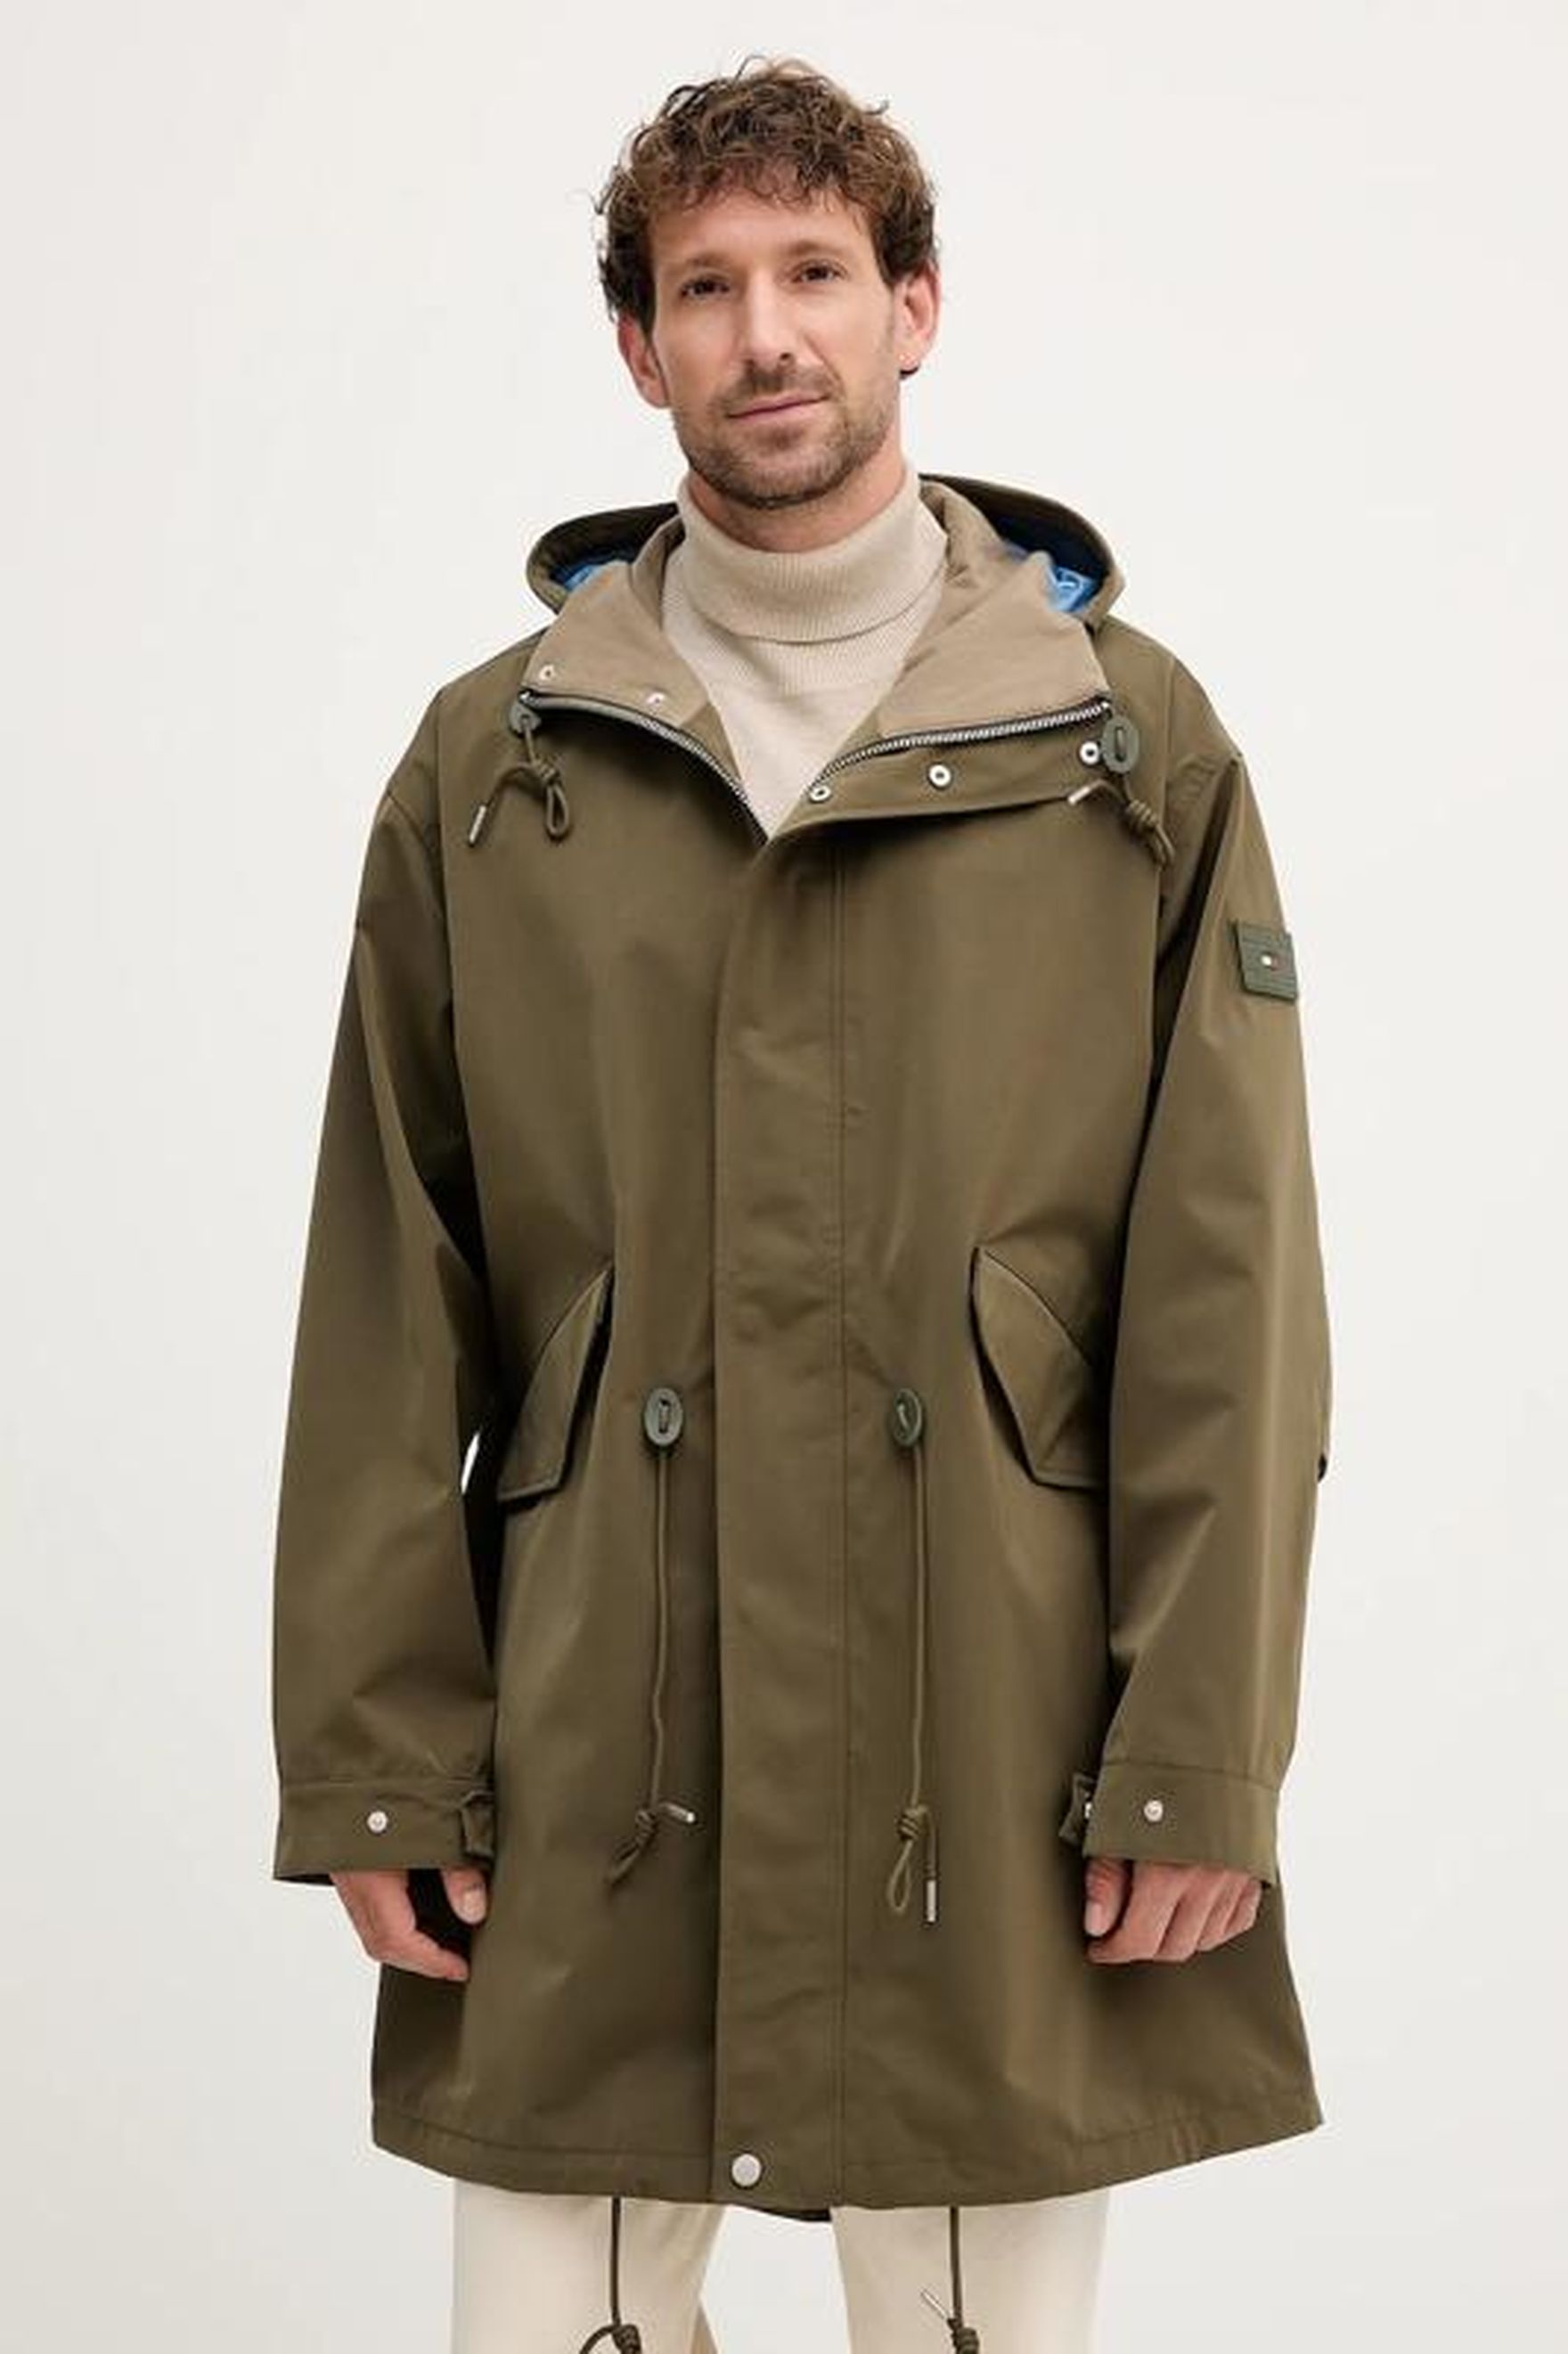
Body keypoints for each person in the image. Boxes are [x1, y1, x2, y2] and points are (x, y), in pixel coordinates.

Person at [269, 52, 1333, 2354]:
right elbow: (387, 1283)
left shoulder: (1128, 748)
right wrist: (377, 1752)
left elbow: (1229, 1293)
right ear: (637, 344)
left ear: (913, 306)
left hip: (997, 1697)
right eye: (705, 286)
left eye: (817, 273)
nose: (766, 334)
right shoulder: (495, 764)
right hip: (594, 1704)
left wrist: (1197, 1749)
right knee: (550, 2310)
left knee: (976, 2316)